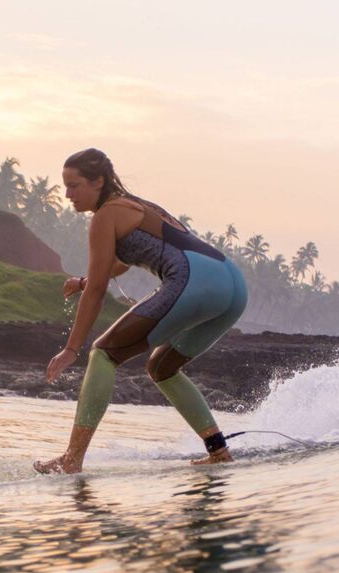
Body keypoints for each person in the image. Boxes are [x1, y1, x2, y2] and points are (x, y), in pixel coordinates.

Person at [35, 148, 248, 474]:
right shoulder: (137, 205)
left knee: (103, 353)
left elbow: (97, 293)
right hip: (231, 283)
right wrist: (83, 281)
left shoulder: (106, 215)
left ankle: (72, 459)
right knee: (162, 367)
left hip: (195, 280)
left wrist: (71, 348)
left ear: (97, 182)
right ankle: (218, 451)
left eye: (74, 186)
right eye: (65, 186)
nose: (67, 194)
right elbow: (111, 268)